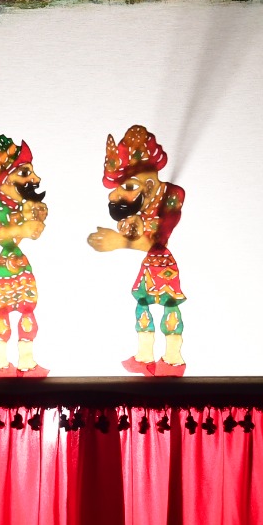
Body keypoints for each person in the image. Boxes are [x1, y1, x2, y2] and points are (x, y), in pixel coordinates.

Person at [86, 125, 186, 376]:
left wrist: (121, 242)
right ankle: (144, 356)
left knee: (168, 304)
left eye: (128, 187)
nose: (115, 196)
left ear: (149, 185)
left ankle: (173, 358)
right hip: (150, 265)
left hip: (162, 265)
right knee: (142, 304)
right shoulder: (137, 212)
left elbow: (159, 239)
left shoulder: (171, 196)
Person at [0, 130, 49, 378]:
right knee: (3, 309)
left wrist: (33, 226)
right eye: (25, 173)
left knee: (27, 308)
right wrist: (21, 229)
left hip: (19, 263)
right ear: (6, 179)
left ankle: (26, 360)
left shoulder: (23, 205)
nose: (35, 179)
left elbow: (33, 232)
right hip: (7, 264)